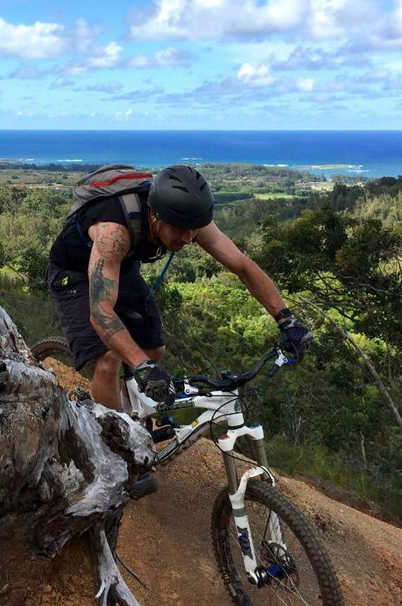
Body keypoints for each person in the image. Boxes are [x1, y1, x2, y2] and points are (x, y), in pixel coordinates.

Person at [47, 165, 312, 495]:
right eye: (180, 231)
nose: (188, 239)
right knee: (109, 359)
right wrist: (142, 367)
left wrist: (287, 320)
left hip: (121, 268)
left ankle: (132, 414)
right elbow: (100, 311)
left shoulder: (188, 220)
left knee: (154, 349)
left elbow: (242, 266)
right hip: (74, 274)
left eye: (193, 230)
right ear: (156, 216)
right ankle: (113, 451)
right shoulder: (113, 231)